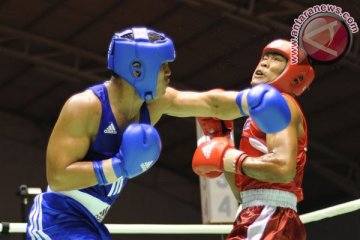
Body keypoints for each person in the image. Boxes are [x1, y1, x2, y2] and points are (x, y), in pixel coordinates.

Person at [26, 27, 292, 240]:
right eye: (163, 65)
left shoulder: (154, 104)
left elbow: (210, 103)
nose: (169, 72)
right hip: (57, 220)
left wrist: (249, 102)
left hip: (89, 224)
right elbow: (58, 177)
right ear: (137, 68)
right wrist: (118, 166)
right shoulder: (86, 106)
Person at [192, 39, 315, 240]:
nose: (265, 62)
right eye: (265, 57)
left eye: (276, 59)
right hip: (256, 213)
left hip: (270, 216)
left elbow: (282, 170)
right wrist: (221, 139)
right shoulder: (258, 116)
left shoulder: (282, 105)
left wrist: (231, 158)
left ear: (293, 74)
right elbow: (243, 194)